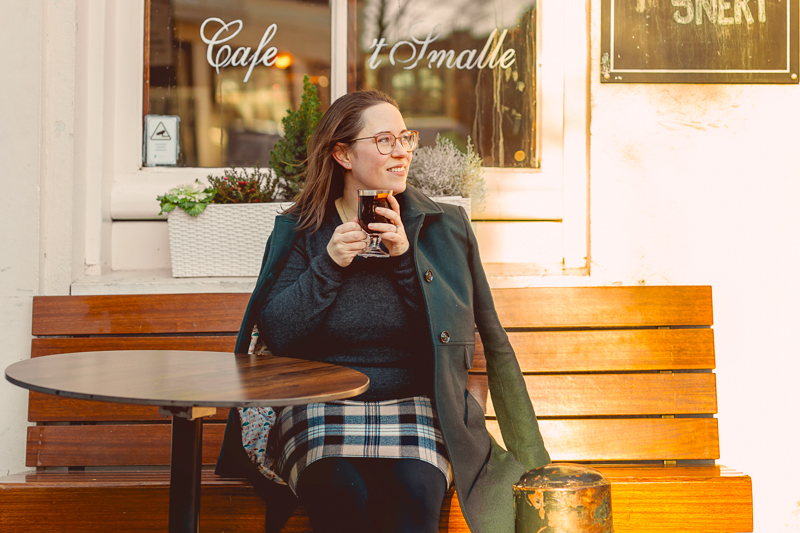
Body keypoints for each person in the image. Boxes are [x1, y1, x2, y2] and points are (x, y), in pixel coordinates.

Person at [216, 90, 550, 533]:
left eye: (405, 138)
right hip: (320, 406)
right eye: (385, 141)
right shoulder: (305, 230)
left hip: (416, 405)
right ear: (342, 154)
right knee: (340, 498)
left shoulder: (442, 227)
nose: (402, 152)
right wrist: (329, 265)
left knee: (415, 495)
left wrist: (407, 264)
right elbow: (279, 334)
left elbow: (457, 336)